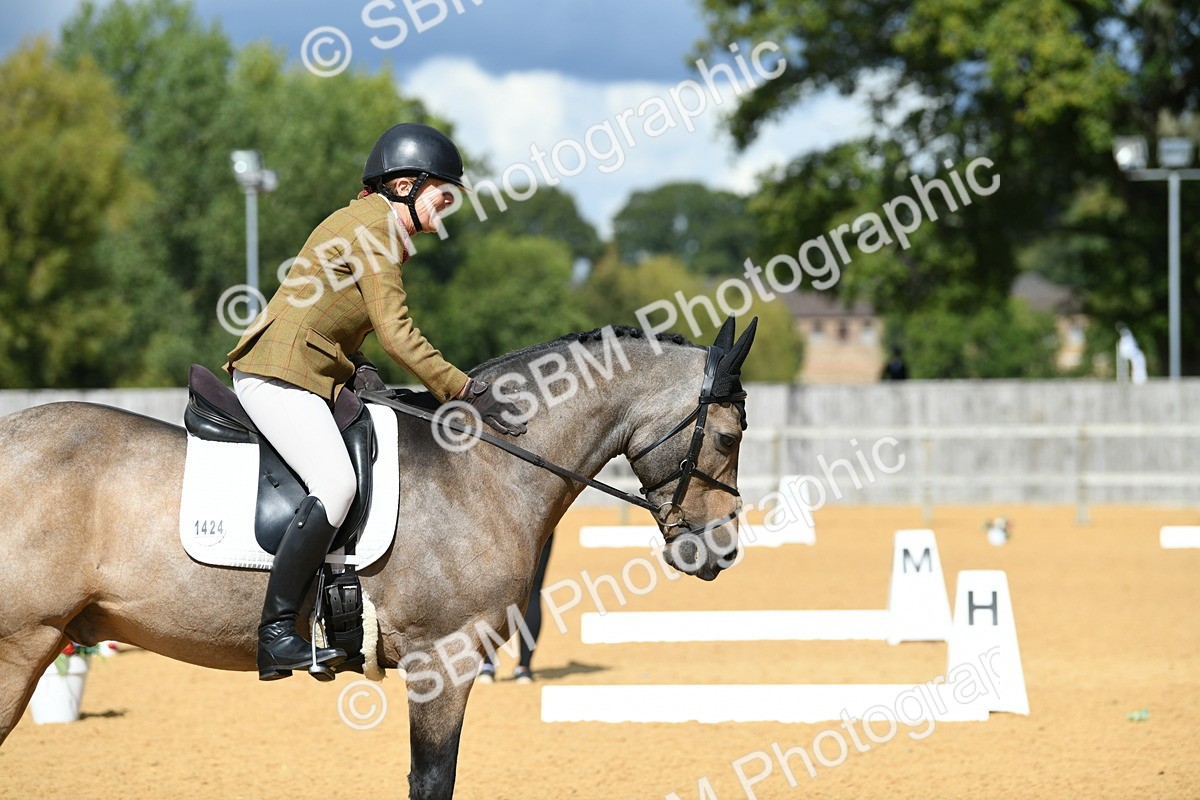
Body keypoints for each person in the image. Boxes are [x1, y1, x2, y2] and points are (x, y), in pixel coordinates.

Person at [223, 123, 527, 681]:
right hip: (279, 373)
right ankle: (275, 633)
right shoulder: (376, 228)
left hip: (310, 373)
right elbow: (397, 332)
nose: (446, 210)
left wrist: (360, 370)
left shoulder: (370, 225)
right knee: (335, 483)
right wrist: (464, 389)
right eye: (442, 196)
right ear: (406, 184)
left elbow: (342, 320)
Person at [478, 534, 554, 684]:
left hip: (501, 523)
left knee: (496, 592)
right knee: (533, 592)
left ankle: (488, 665)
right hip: (540, 521)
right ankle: (524, 668)